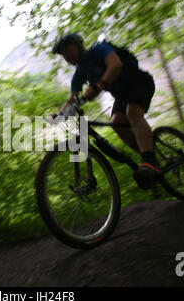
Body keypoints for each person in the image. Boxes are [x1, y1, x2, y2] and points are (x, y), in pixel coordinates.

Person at [51, 32, 161, 187]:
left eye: (67, 50)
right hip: (122, 95)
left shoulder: (99, 49)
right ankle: (148, 157)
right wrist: (60, 114)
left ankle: (149, 161)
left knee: (133, 112)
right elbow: (72, 99)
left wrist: (99, 85)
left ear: (78, 45)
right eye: (63, 54)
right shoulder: (79, 74)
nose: (66, 56)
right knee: (117, 123)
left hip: (140, 83)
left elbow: (115, 64)